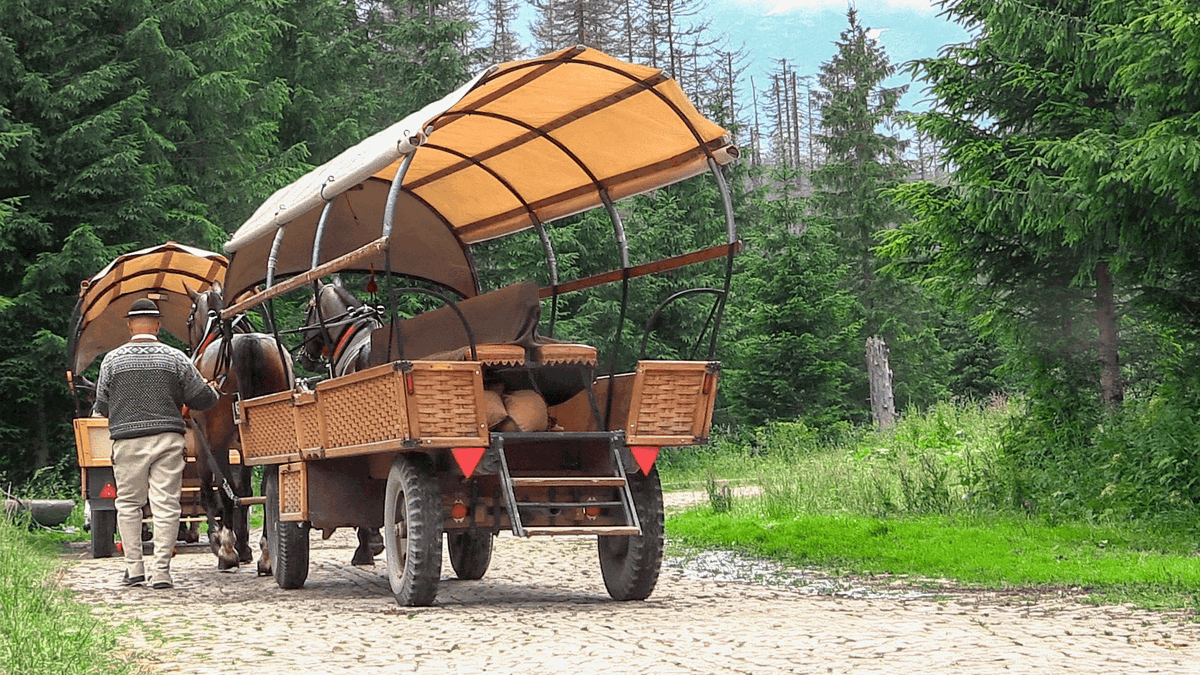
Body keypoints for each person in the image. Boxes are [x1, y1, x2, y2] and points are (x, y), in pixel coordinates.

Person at [93, 298, 219, 589]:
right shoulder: (175, 358)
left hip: (127, 443)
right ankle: (161, 572)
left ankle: (134, 570)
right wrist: (214, 391)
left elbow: (102, 406)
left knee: (128, 505)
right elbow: (201, 399)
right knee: (166, 505)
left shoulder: (112, 360)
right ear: (158, 326)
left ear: (129, 325)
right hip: (167, 441)